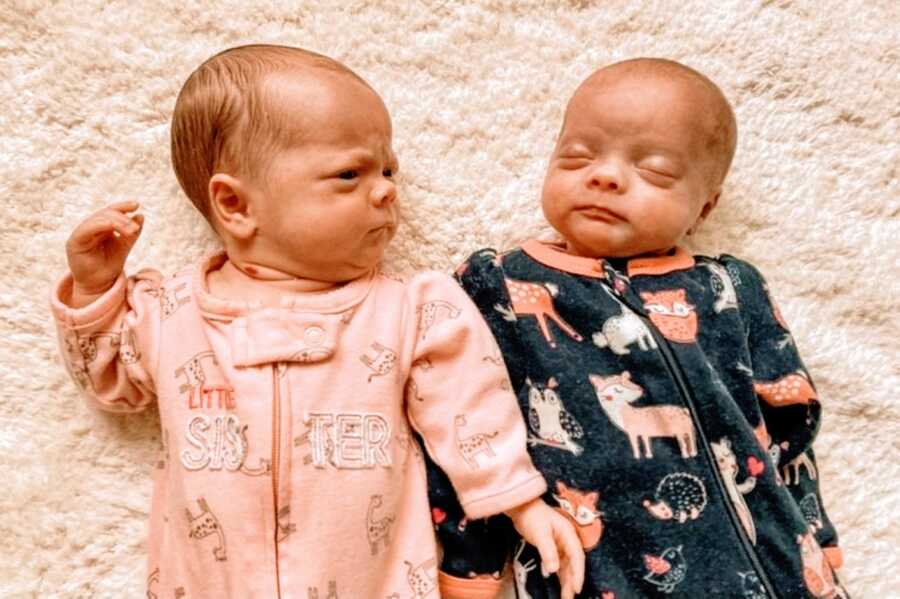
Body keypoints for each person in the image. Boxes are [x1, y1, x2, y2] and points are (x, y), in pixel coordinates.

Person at [50, 44, 584, 599]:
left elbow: (471, 409)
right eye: (349, 173)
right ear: (235, 206)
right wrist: (95, 291)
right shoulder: (170, 312)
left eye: (387, 168)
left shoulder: (411, 309)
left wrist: (521, 503)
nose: (386, 189)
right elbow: (111, 383)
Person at [429, 58, 848, 599]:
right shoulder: (497, 286)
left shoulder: (731, 289)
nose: (603, 176)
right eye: (577, 157)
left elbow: (792, 427)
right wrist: (471, 566)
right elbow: (466, 424)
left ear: (704, 208)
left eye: (652, 170)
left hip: (773, 565)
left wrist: (819, 537)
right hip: (603, 572)